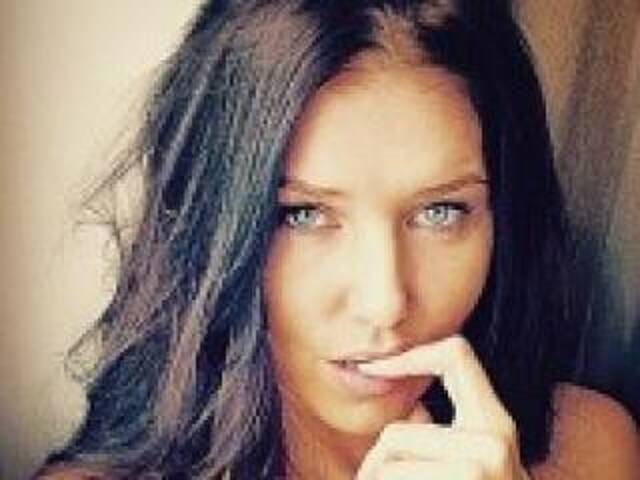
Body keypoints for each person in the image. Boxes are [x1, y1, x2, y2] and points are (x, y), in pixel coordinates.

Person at [36, 0, 638, 478]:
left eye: (441, 212)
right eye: (303, 215)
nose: (385, 303)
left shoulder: (587, 449)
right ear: (214, 227)